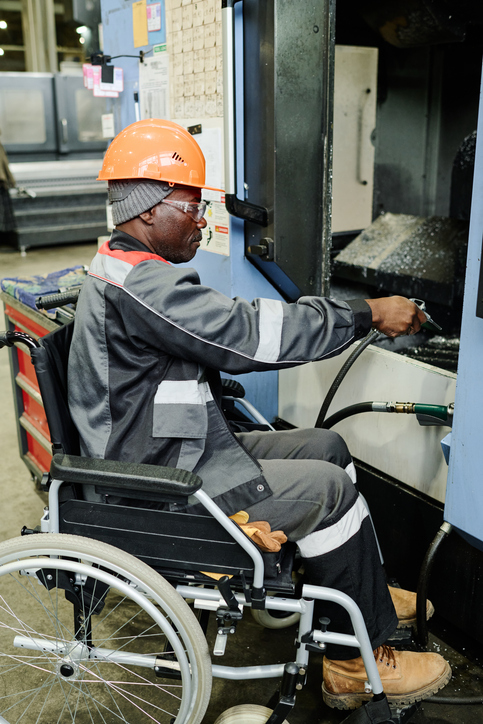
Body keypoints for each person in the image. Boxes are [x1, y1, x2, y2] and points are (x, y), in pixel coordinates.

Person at [68, 119, 451, 710]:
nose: (203, 221)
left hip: (179, 445)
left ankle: (359, 595)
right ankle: (352, 666)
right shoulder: (142, 286)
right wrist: (363, 313)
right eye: (192, 207)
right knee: (327, 490)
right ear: (147, 211)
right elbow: (247, 334)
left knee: (327, 447)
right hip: (161, 478)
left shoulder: (131, 268)